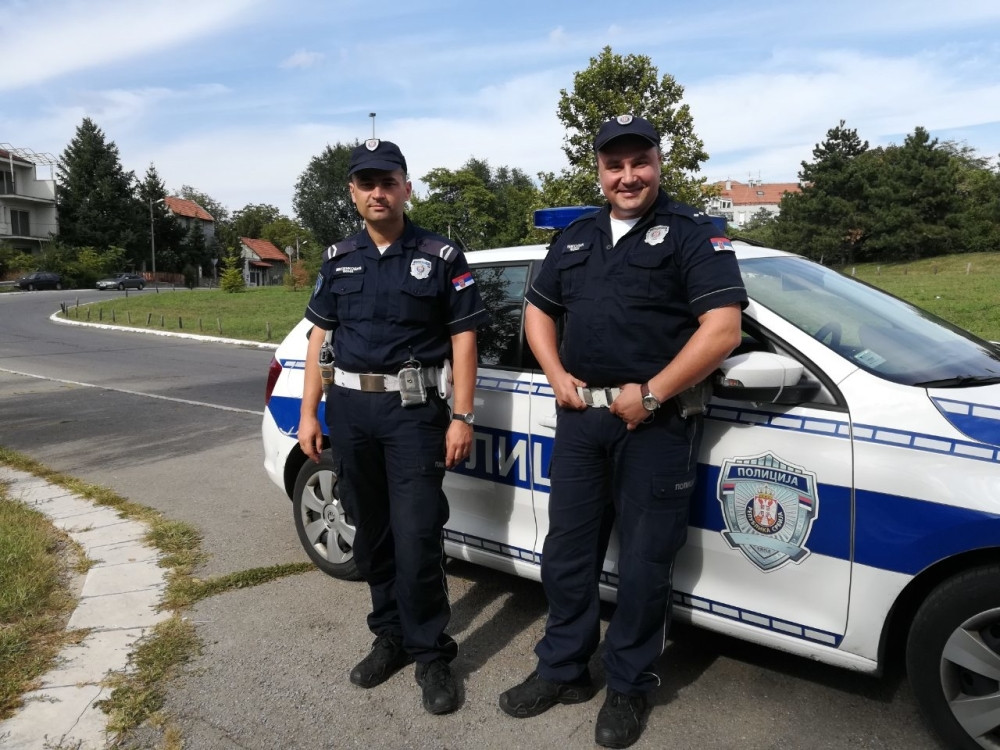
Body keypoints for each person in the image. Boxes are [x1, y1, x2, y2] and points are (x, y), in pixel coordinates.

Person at [498, 115, 747, 748]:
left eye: (640, 162)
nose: (627, 176)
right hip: (581, 420)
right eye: (615, 165)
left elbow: (723, 330)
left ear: (659, 163)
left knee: (643, 562)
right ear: (600, 170)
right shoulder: (577, 236)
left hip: (654, 425)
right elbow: (537, 312)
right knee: (569, 554)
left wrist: (656, 392)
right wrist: (555, 373)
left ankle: (631, 685)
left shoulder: (693, 233)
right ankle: (563, 669)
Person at [297, 138, 487, 715]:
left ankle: (431, 654)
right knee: (370, 530)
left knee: (417, 534)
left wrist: (461, 414)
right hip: (351, 413)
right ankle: (391, 637)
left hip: (414, 415)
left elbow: (464, 338)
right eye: (366, 183)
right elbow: (319, 337)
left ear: (406, 187)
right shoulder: (338, 258)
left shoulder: (442, 255)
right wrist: (310, 411)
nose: (378, 192)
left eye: (389, 181)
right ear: (354, 193)